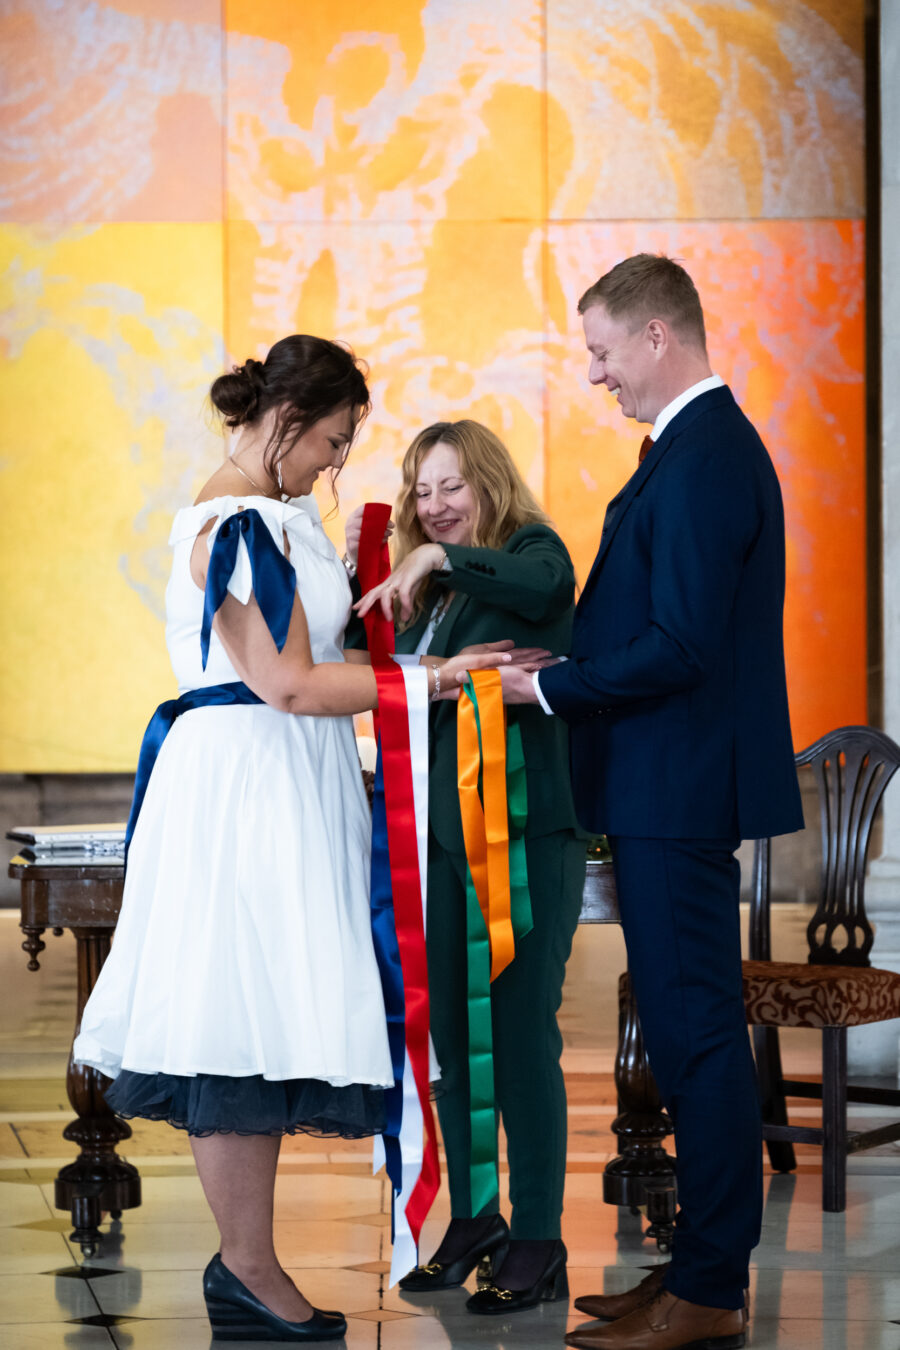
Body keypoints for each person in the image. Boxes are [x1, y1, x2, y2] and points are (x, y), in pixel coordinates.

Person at [73, 338, 503, 1344]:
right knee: (233, 1016)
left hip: (286, 782)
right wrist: (428, 682)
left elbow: (323, 656)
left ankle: (250, 1265)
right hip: (244, 790)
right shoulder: (230, 526)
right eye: (332, 441)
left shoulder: (280, 517)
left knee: (264, 1015)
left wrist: (422, 641)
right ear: (283, 421)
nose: (335, 465)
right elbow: (290, 683)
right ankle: (248, 1268)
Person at [499, 255, 803, 1350]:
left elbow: (680, 646)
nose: (595, 374)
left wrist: (554, 685)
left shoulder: (709, 455)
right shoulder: (689, 452)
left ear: (658, 338)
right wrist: (563, 657)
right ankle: (691, 1270)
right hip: (658, 787)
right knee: (682, 1033)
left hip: (677, 790)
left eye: (601, 349)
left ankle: (711, 1290)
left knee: (699, 1038)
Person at [349, 419, 586, 1314]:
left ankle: (539, 1237)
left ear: (487, 482)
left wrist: (439, 562)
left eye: (452, 486)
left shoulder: (527, 552)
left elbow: (547, 583)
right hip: (442, 843)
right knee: (454, 1039)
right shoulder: (432, 597)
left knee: (522, 1038)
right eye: (421, 490)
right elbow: (384, 675)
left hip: (525, 838)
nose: (435, 507)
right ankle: (477, 1216)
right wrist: (367, 578)